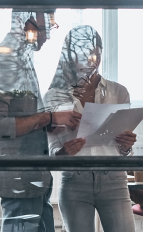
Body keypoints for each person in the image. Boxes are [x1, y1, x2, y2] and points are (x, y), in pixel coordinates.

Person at [0, 9, 82, 232]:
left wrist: (49, 122)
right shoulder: (4, 60)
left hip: (33, 178)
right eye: (47, 26)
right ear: (25, 19)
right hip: (18, 181)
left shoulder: (21, 58)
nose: (48, 35)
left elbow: (21, 116)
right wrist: (48, 117)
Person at [44, 25, 136, 232]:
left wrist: (126, 146)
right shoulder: (53, 96)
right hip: (75, 180)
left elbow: (122, 151)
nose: (91, 61)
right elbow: (50, 152)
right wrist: (63, 152)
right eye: (85, 55)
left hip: (114, 179)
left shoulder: (119, 92)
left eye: (96, 54)